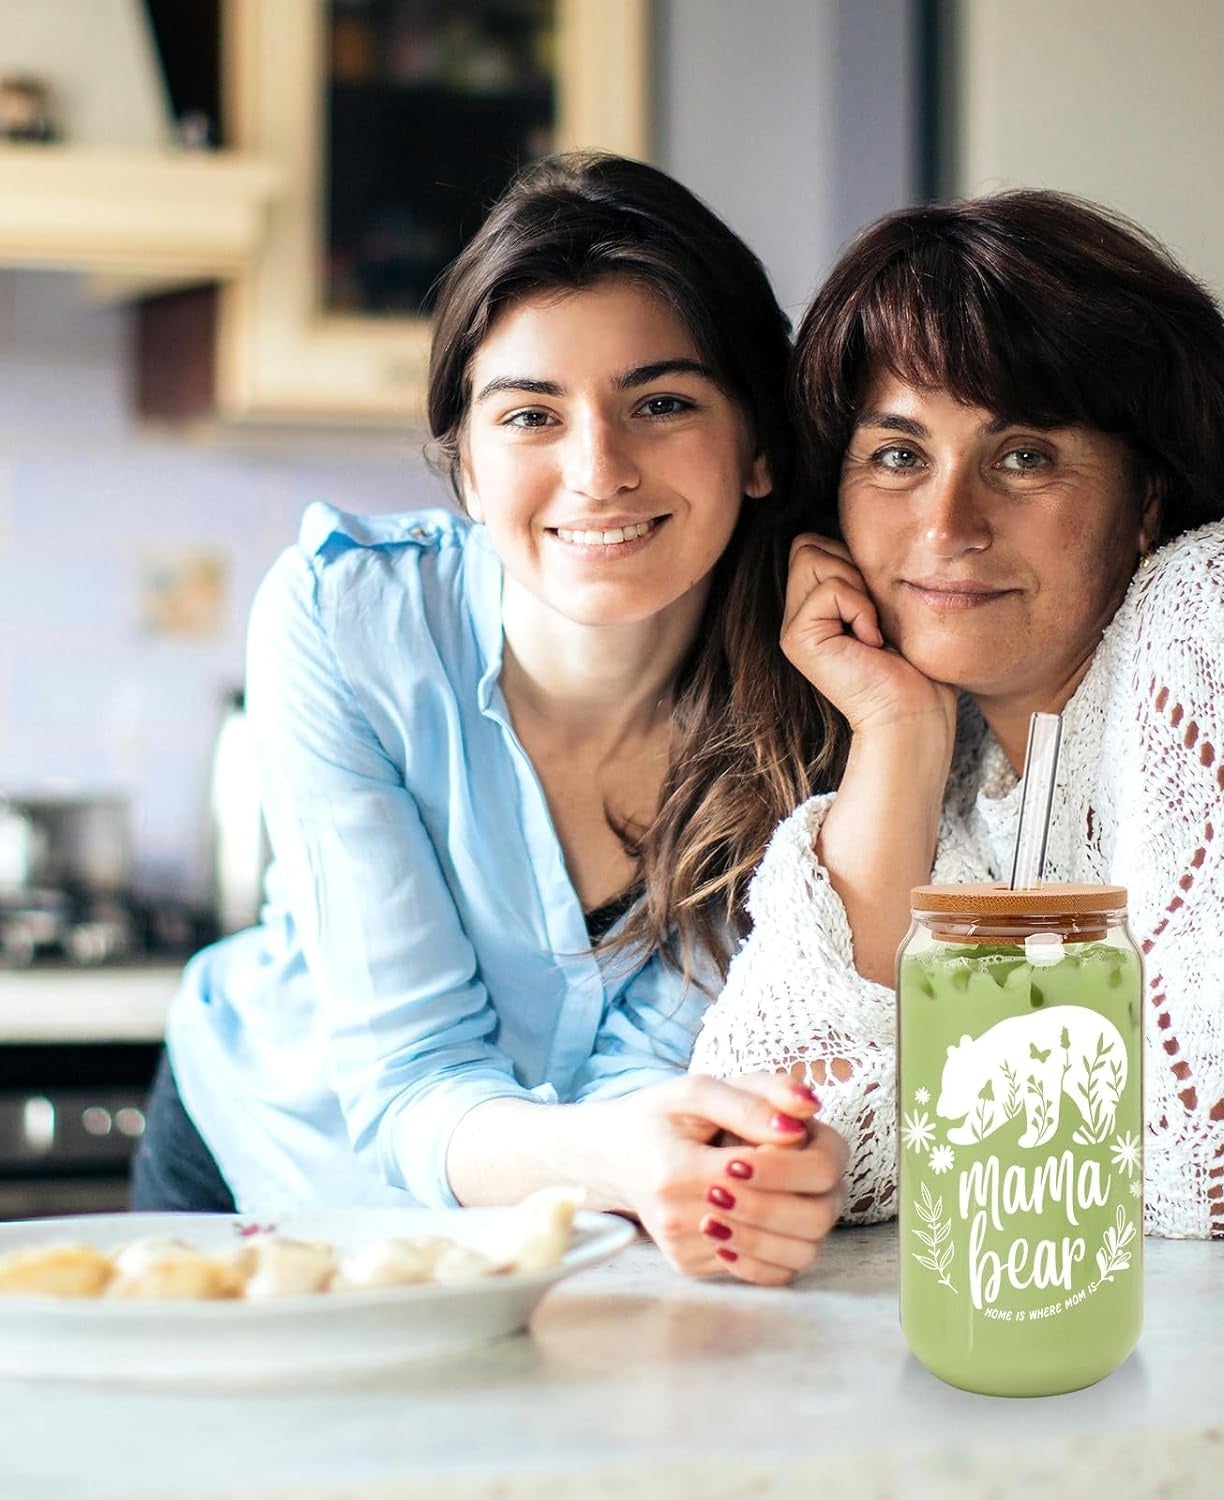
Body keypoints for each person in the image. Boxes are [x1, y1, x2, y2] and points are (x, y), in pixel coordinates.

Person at [692, 189, 1224, 1238]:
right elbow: (753, 1129)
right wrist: (895, 738)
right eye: (898, 456)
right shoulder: (966, 751)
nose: (947, 524)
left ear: (1148, 497)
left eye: (1023, 455)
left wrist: (872, 1131)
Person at [133, 153, 848, 1286]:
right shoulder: (346, 618)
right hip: (273, 1165)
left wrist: (652, 1150)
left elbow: (660, 1079)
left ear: (757, 445)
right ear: (463, 463)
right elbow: (413, 1075)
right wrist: (621, 1152)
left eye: (661, 403)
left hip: (579, 1220)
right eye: (531, 415)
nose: (598, 470)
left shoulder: (819, 694)